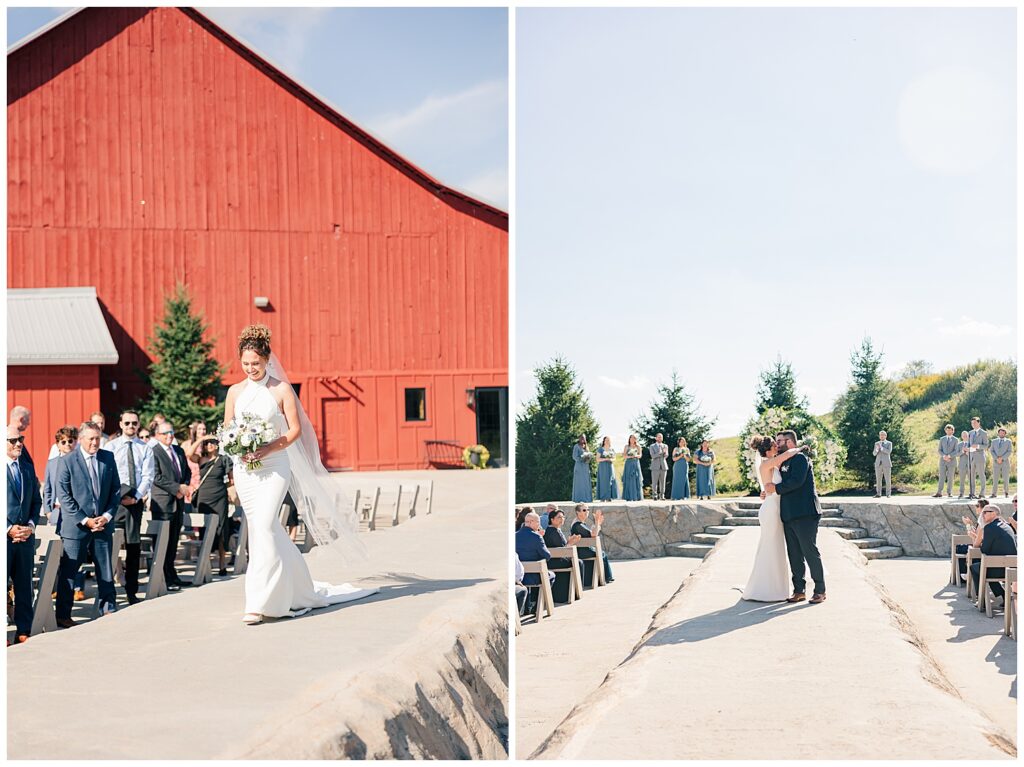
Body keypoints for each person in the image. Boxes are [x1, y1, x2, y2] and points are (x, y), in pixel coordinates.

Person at [224, 324, 376, 625]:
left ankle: (259, 601)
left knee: (266, 525)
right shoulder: (234, 391)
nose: (251, 368)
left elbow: (295, 430)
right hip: (246, 469)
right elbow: (228, 427)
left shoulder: (280, 389)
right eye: (245, 363)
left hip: (275, 465)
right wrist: (235, 447)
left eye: (256, 363)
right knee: (262, 530)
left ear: (267, 360)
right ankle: (298, 588)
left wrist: (268, 447)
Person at [54, 421, 121, 626]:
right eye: (91, 438)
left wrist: (107, 516)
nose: (95, 442)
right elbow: (64, 496)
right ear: (81, 439)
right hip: (76, 527)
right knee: (70, 572)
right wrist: (86, 520)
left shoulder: (107, 458)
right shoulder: (67, 461)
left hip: (102, 525)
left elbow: (115, 491)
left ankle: (108, 608)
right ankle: (64, 615)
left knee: (105, 569)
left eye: (97, 438)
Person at [764, 429, 826, 604]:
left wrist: (775, 489)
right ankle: (799, 590)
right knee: (794, 554)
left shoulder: (800, 459)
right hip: (789, 513)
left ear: (790, 442)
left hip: (805, 512)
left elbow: (796, 482)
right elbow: (777, 483)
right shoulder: (783, 462)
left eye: (780, 441)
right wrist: (767, 491)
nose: (777, 444)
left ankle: (820, 590)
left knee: (809, 551)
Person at [742, 435, 805, 602]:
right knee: (770, 547)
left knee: (776, 547)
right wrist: (801, 448)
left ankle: (777, 588)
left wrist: (766, 491)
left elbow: (773, 483)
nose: (778, 447)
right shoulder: (767, 463)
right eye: (775, 445)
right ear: (769, 450)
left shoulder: (772, 463)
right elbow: (786, 455)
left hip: (776, 507)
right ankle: (766, 589)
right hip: (771, 510)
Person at [103, 410, 155, 604]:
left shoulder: (145, 448)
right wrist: (116, 497)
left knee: (133, 547)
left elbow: (148, 476)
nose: (131, 427)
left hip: (134, 503)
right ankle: (109, 591)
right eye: (127, 423)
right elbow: (106, 473)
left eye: (134, 423)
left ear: (138, 424)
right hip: (114, 503)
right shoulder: (111, 446)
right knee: (110, 546)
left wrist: (136, 497)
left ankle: (132, 591)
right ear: (120, 424)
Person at [7, 425, 41, 644]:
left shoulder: (27, 469)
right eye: (12, 440)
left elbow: (36, 502)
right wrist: (8, 529)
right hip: (5, 537)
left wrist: (30, 525)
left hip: (25, 538)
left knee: (24, 585)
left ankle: (24, 630)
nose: (18, 443)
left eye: (20, 439)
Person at [149, 421, 192, 591]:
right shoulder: (154, 452)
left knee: (174, 540)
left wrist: (185, 486)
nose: (169, 436)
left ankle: (172, 575)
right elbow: (156, 477)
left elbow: (186, 472)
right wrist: (176, 488)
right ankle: (163, 577)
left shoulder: (179, 451)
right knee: (163, 542)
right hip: (163, 503)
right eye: (165, 433)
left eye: (171, 432)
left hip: (178, 502)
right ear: (157, 435)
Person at [192, 436, 234, 576]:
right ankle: (206, 563)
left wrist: (221, 487)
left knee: (221, 529)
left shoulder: (224, 459)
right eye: (207, 443)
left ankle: (222, 563)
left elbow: (232, 480)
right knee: (204, 530)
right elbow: (189, 453)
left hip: (220, 498)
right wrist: (202, 438)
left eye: (212, 442)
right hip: (204, 497)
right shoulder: (201, 459)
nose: (209, 445)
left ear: (218, 444)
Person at [968, 505, 1016, 605]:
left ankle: (981, 600)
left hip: (998, 570)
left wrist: (978, 540)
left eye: (985, 512)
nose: (982, 514)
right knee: (983, 567)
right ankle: (1003, 595)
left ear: (994, 513)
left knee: (975, 568)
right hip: (1012, 570)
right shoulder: (1007, 526)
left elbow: (984, 550)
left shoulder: (990, 527)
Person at [514, 510, 554, 613]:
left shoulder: (514, 535)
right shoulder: (536, 537)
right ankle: (537, 605)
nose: (539, 525)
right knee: (551, 576)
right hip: (534, 576)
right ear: (531, 522)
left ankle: (528, 607)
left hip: (519, 577)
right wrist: (541, 539)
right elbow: (547, 556)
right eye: (538, 522)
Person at [542, 509, 582, 602]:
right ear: (552, 519)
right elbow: (561, 550)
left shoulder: (555, 530)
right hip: (555, 561)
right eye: (559, 517)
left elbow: (561, 547)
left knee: (578, 561)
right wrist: (570, 543)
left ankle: (574, 591)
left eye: (563, 517)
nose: (562, 519)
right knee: (578, 562)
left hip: (556, 559)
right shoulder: (552, 532)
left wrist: (569, 542)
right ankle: (576, 592)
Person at [43, 426, 78, 528]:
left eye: (70, 441)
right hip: (57, 511)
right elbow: (47, 489)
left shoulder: (81, 463)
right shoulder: (51, 463)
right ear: (57, 445)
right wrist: (48, 512)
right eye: (63, 442)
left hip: (76, 511)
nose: (67, 444)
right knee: (56, 543)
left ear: (75, 442)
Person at [571, 503, 614, 583]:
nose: (586, 512)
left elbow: (593, 532)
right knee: (602, 553)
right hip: (582, 551)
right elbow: (594, 534)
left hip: (584, 549)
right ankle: (607, 577)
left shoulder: (580, 524)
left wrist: (597, 524)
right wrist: (597, 521)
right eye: (584, 510)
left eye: (588, 510)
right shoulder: (578, 525)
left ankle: (604, 577)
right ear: (578, 512)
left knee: (601, 552)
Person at [933, 424, 959, 498]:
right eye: (947, 430)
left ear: (953, 431)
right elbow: (939, 450)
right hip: (943, 461)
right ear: (945, 430)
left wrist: (949, 456)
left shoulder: (956, 440)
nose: (948, 431)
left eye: (950, 430)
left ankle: (949, 492)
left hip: (952, 461)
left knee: (950, 477)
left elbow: (956, 451)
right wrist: (944, 456)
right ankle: (939, 492)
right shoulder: (942, 439)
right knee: (942, 477)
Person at [968, 417, 989, 498]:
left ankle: (982, 493)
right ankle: (972, 493)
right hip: (971, 457)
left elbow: (986, 445)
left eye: (974, 423)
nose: (973, 424)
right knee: (971, 476)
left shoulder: (984, 433)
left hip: (980, 457)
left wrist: (978, 446)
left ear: (978, 423)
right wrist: (967, 449)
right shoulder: (970, 433)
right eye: (972, 423)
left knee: (981, 475)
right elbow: (969, 445)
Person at [990, 428, 1012, 498]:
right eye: (1000, 433)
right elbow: (991, 450)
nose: (1001, 434)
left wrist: (1002, 458)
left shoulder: (1008, 441)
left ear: (1005, 434)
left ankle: (1006, 493)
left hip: (1005, 462)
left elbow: (1009, 451)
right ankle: (994, 493)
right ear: (998, 433)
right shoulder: (993, 441)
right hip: (996, 462)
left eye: (1003, 433)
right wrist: (996, 458)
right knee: (995, 478)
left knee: (1006, 478)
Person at [571, 435, 593, 503]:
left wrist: (588, 458)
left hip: (585, 467)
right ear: (579, 439)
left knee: (586, 482)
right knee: (579, 482)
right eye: (581, 438)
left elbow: (589, 456)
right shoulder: (576, 446)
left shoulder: (586, 447)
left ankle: (587, 498)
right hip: (579, 466)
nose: (583, 439)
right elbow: (574, 457)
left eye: (584, 438)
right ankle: (578, 498)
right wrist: (582, 458)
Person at [595, 437, 618, 501]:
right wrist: (605, 459)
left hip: (610, 466)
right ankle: (602, 497)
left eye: (608, 440)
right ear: (604, 441)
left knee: (610, 481)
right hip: (603, 467)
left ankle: (609, 497)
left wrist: (611, 459)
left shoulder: (612, 449)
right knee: (603, 481)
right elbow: (597, 459)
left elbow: (615, 458)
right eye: (606, 440)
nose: (607, 441)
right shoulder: (600, 449)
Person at [621, 435, 643, 501]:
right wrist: (629, 456)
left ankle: (637, 496)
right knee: (629, 479)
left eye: (634, 438)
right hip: (628, 464)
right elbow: (624, 455)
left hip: (636, 463)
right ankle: (629, 496)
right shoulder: (626, 446)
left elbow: (640, 455)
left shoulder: (638, 446)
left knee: (636, 478)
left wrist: (636, 455)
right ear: (629, 439)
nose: (633, 439)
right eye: (632, 438)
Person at [649, 433, 669, 500]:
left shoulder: (665, 446)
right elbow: (652, 456)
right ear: (656, 438)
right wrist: (660, 453)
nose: (660, 438)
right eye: (659, 437)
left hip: (663, 466)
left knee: (663, 482)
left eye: (661, 437)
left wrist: (665, 453)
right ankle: (654, 495)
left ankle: (662, 495)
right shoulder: (652, 446)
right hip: (655, 466)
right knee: (654, 482)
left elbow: (666, 456)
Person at [872, 430, 892, 498]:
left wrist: (882, 448)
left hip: (886, 463)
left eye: (883, 435)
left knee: (887, 479)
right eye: (881, 435)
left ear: (885, 436)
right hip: (878, 464)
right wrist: (876, 450)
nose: (882, 436)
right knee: (878, 479)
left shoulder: (889, 443)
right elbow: (874, 454)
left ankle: (888, 494)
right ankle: (878, 493)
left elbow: (889, 452)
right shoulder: (876, 443)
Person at [957, 430, 972, 499]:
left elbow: (974, 453)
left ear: (968, 436)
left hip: (970, 464)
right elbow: (956, 454)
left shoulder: (971, 444)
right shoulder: (959, 444)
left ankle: (971, 493)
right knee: (962, 479)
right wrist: (962, 451)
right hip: (962, 465)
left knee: (971, 479)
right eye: (963, 435)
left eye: (966, 435)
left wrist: (968, 453)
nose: (965, 437)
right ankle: (961, 493)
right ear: (961, 437)